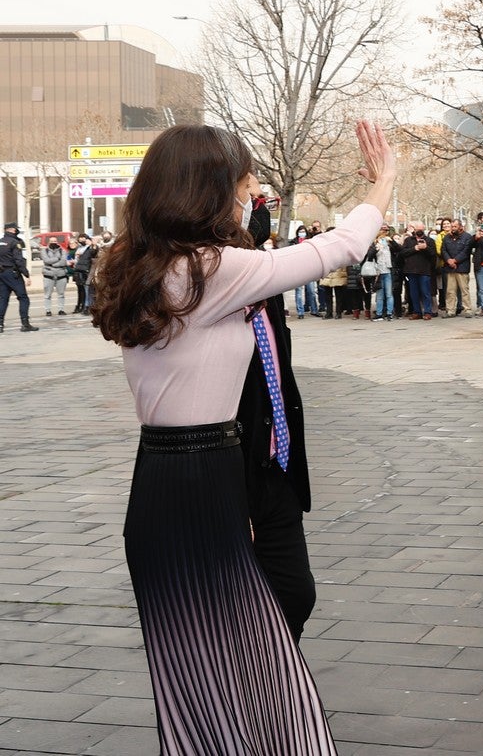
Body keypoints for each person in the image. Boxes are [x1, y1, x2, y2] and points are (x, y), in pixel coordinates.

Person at [91, 120, 395, 754]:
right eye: (239, 184)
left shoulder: (134, 265)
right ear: (209, 190)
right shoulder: (211, 270)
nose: (247, 194)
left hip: (158, 479)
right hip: (207, 472)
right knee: (256, 661)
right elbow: (336, 249)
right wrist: (384, 184)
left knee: (195, 669)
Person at [237, 196, 317, 643]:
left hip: (276, 469)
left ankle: (273, 691)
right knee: (235, 609)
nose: (256, 203)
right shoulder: (205, 286)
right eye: (247, 195)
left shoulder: (266, 286)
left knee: (293, 595)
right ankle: (250, 700)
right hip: (227, 470)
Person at [0, 222, 39, 333]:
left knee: (3, 299)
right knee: (23, 298)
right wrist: (26, 274)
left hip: (2, 274)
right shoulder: (15, 242)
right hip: (13, 273)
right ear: (12, 230)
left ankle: (0, 324)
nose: (17, 231)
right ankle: (25, 324)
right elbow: (19, 260)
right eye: (16, 229)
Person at [400, 223, 437, 320]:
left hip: (425, 271)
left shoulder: (429, 240)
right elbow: (403, 253)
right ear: (414, 230)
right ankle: (417, 312)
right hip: (411, 271)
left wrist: (426, 248)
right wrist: (415, 248)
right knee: (413, 293)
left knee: (426, 292)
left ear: (424, 229)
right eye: (417, 228)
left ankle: (428, 312)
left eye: (421, 228)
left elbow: (433, 255)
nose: (419, 230)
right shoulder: (408, 240)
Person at [440, 220, 473, 317]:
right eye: (452, 226)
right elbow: (443, 250)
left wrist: (455, 260)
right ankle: (450, 310)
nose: (453, 228)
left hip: (462, 268)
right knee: (450, 291)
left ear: (460, 227)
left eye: (455, 226)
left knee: (464, 290)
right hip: (450, 268)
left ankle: (467, 309)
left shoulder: (467, 237)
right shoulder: (447, 238)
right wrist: (448, 260)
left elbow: (466, 251)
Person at [41, 236, 70, 316]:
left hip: (61, 275)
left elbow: (63, 262)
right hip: (48, 275)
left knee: (61, 294)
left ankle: (61, 309)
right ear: (48, 242)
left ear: (57, 242)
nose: (53, 242)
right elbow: (46, 260)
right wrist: (57, 258)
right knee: (47, 295)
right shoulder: (44, 250)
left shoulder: (62, 250)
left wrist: (52, 264)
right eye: (51, 241)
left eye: (55, 241)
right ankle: (48, 310)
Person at [72, 233, 97, 314]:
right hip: (79, 270)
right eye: (80, 238)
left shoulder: (91, 248)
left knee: (88, 289)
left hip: (88, 270)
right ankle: (83, 306)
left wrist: (93, 245)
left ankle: (88, 306)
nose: (83, 240)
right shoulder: (80, 248)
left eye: (84, 239)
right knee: (82, 289)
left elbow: (93, 253)